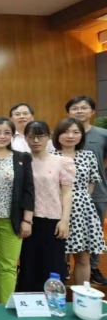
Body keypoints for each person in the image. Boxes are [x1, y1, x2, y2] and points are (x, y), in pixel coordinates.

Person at [16, 121, 75, 292]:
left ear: (48, 137)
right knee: (28, 264)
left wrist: (65, 220)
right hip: (26, 220)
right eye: (31, 136)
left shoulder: (62, 161)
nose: (36, 140)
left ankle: (52, 302)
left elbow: (67, 193)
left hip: (52, 219)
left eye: (40, 136)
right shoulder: (20, 161)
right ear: (25, 138)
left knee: (53, 264)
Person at [0, 117, 35, 304]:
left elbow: (28, 191)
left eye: (7, 133)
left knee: (8, 264)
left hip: (12, 219)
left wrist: (27, 220)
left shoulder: (21, 158)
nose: (2, 136)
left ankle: (5, 305)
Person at [52, 118, 106, 285]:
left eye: (75, 132)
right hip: (55, 209)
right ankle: (55, 294)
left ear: (81, 135)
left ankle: (80, 295)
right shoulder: (50, 156)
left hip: (82, 210)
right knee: (55, 256)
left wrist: (78, 201)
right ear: (57, 135)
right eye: (65, 132)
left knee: (83, 257)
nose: (70, 136)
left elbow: (91, 184)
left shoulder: (88, 156)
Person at [66, 95, 107, 285]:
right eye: (75, 108)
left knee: (92, 232)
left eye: (84, 107)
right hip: (66, 195)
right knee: (66, 232)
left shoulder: (102, 134)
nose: (79, 111)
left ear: (92, 111)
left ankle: (94, 267)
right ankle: (64, 265)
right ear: (68, 112)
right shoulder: (62, 134)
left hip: (96, 192)